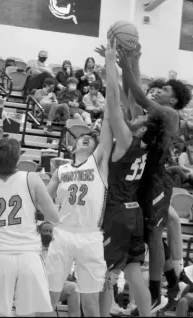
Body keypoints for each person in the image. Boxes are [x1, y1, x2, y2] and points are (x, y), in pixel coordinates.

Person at [117, 43, 192, 314]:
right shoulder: (153, 117)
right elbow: (134, 104)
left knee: (154, 232)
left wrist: (124, 65)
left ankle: (158, 290)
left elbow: (141, 96)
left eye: (166, 90)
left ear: (173, 100)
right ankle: (172, 282)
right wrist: (126, 66)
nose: (161, 91)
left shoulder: (170, 114)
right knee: (150, 234)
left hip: (158, 179)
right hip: (143, 179)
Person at [100, 39, 169, 317]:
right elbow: (132, 100)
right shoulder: (147, 146)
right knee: (131, 272)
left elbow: (115, 102)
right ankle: (147, 313)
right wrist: (129, 63)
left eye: (140, 119)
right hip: (135, 214)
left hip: (116, 214)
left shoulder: (126, 140)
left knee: (106, 274)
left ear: (142, 128)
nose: (136, 117)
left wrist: (110, 63)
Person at [45, 49, 114, 316]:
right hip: (62, 234)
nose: (86, 138)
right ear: (72, 147)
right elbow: (43, 199)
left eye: (91, 139)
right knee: (48, 296)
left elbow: (108, 122)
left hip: (89, 237)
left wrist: (109, 70)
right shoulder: (60, 169)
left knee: (91, 302)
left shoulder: (97, 164)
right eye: (82, 137)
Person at [0, 138, 59, 316]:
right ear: (17, 159)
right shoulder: (32, 179)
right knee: (28, 313)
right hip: (29, 256)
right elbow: (54, 217)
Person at [39, 221, 81, 317]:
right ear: (39, 232)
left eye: (50, 231)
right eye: (45, 230)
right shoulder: (32, 247)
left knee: (73, 288)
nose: (48, 233)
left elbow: (68, 273)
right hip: (37, 287)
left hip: (54, 287)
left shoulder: (58, 249)